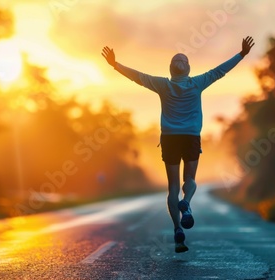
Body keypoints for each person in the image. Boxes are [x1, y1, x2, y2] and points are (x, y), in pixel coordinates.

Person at [101, 37, 255, 253]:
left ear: (171, 70)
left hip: (170, 138)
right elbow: (221, 71)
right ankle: (187, 203)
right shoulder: (198, 82)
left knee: (172, 187)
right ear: (188, 69)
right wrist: (242, 54)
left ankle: (177, 231)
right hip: (191, 137)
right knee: (189, 180)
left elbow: (138, 77)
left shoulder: (163, 85)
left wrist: (115, 65)